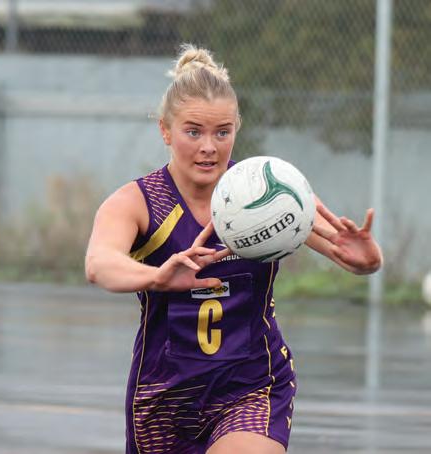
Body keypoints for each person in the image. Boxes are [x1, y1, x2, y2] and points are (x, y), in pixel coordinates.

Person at [85, 44, 382, 454]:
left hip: (251, 385)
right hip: (165, 397)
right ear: (165, 130)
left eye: (222, 132)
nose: (209, 146)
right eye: (194, 132)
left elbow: (354, 259)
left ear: (236, 130)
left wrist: (366, 259)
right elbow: (99, 263)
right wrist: (157, 277)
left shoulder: (269, 195)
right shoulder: (137, 202)